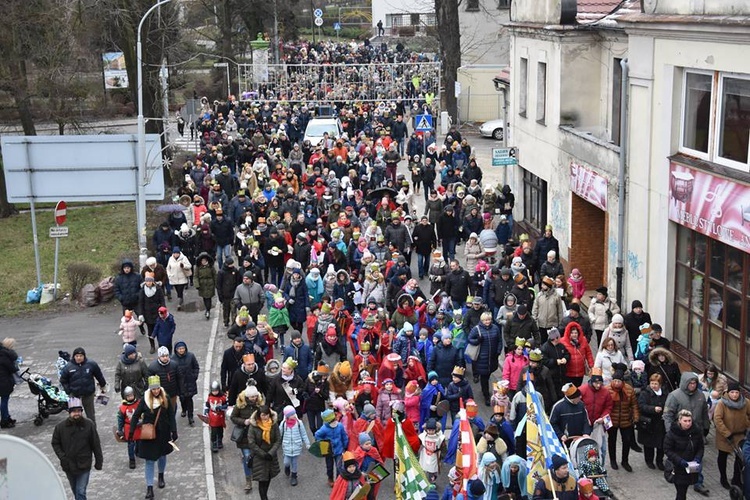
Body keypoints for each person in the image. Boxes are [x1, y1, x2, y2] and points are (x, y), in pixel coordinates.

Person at [128, 375, 178, 499]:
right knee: (149, 461)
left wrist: (174, 430)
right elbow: (135, 416)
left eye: (157, 389)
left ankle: (161, 475)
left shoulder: (165, 398)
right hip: (149, 435)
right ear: (150, 390)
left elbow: (171, 415)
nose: (156, 391)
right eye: (153, 389)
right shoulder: (144, 400)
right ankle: (149, 487)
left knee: (162, 456)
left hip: (163, 433)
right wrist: (131, 431)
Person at [663, 372, 710, 496]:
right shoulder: (674, 396)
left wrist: (706, 427)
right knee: (682, 461)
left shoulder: (700, 395)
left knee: (697, 460)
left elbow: (704, 412)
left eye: (695, 383)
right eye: (690, 383)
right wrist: (670, 432)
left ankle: (698, 483)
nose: (693, 385)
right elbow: (667, 415)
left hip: (695, 434)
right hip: (680, 436)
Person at [51, 397, 103, 500]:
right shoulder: (60, 427)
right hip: (68, 465)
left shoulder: (89, 425)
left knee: (80, 491)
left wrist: (99, 461)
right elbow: (55, 443)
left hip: (84, 463)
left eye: (79, 411)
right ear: (69, 412)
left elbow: (95, 444)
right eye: (74, 411)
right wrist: (63, 457)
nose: (77, 413)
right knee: (75, 490)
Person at [713, 381, 750, 490]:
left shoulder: (746, 402)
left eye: (736, 392)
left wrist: (747, 425)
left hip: (740, 435)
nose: (734, 394)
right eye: (732, 392)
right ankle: (723, 478)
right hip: (725, 437)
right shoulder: (722, 403)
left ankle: (736, 479)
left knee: (739, 458)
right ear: (728, 392)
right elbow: (717, 419)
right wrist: (726, 433)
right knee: (723, 456)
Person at [59, 347, 107, 425]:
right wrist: (69, 391)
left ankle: (92, 432)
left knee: (90, 416)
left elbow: (99, 376)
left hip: (88, 394)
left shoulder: (91, 364)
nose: (79, 358)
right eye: (77, 356)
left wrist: (103, 385)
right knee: (74, 415)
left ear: (84, 356)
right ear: (74, 356)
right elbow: (63, 380)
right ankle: (75, 432)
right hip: (74, 395)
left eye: (81, 356)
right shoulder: (68, 366)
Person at [664, 409, 704, 500]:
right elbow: (667, 450)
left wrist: (698, 457)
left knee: (684, 491)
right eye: (685, 421)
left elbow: (700, 447)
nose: (688, 423)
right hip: (678, 468)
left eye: (689, 421)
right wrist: (680, 461)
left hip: (692, 467)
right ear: (679, 421)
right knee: (681, 493)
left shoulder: (696, 432)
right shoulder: (672, 434)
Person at [231, 385, 265, 493]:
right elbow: (233, 417)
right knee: (247, 458)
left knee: (256, 457)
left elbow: (266, 416)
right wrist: (244, 421)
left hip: (257, 436)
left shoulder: (260, 404)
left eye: (255, 396)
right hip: (244, 436)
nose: (254, 398)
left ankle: (257, 474)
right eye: (252, 397)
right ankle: (248, 480)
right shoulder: (240, 405)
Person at [607, 368, 639, 472]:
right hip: (612, 419)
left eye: (618, 381)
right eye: (615, 381)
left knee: (627, 440)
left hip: (626, 419)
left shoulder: (629, 389)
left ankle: (625, 461)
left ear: (622, 381)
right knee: (612, 440)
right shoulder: (607, 389)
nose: (616, 383)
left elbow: (634, 404)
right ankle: (613, 460)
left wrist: (636, 417)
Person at [467, 311, 501, 405]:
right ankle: (486, 395)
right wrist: (478, 340)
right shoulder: (476, 329)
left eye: (489, 319)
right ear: (482, 320)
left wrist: (498, 351)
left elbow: (499, 341)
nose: (487, 322)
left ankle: (485, 390)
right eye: (485, 320)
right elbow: (469, 339)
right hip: (482, 358)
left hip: (492, 358)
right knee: (484, 378)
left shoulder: (495, 328)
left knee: (488, 374)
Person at [638, 373, 667, 470]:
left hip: (661, 422)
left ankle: (659, 461)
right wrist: (653, 409)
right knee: (649, 444)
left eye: (656, 384)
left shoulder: (665, 392)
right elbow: (641, 406)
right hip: (649, 422)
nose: (654, 386)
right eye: (652, 383)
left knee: (661, 444)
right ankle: (649, 461)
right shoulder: (645, 393)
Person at [279, 405, 310, 487]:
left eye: (294, 414)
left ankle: (294, 476)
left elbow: (304, 434)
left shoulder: (299, 423)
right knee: (286, 462)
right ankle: (287, 467)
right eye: (292, 414)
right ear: (287, 416)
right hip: (286, 446)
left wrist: (307, 443)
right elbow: (279, 434)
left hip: (296, 446)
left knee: (295, 462)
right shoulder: (283, 424)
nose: (294, 415)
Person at [172, 340, 200, 426]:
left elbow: (196, 367)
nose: (181, 350)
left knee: (189, 399)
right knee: (182, 398)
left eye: (182, 348)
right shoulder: (173, 359)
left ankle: (190, 417)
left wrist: (194, 376)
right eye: (179, 349)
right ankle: (184, 409)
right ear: (176, 350)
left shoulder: (190, 356)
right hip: (180, 383)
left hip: (189, 381)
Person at [138, 272, 166, 354]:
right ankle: (152, 346)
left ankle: (161, 345)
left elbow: (162, 301)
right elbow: (141, 303)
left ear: (153, 281)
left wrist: (163, 311)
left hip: (157, 313)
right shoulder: (142, 291)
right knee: (150, 331)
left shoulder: (158, 289)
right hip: (148, 314)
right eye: (147, 281)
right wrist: (140, 314)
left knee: (160, 331)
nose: (148, 283)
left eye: (150, 281)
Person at [149, 346, 183, 411]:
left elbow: (179, 378)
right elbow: (149, 382)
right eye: (163, 356)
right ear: (159, 357)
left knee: (172, 408)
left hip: (173, 392)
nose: (165, 358)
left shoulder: (174, 365)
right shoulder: (153, 367)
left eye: (166, 355)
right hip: (160, 394)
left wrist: (181, 390)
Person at [540, 326, 570, 398]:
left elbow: (567, 353)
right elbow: (544, 361)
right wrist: (555, 362)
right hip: (551, 376)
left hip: (561, 376)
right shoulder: (545, 348)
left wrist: (565, 358)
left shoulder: (561, 346)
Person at [116, 386, 141, 469]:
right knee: (130, 444)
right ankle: (132, 460)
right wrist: (120, 429)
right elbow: (120, 419)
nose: (130, 397)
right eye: (128, 396)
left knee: (139, 441)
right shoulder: (123, 407)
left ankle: (138, 451)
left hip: (138, 427)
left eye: (131, 395)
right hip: (128, 427)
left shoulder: (138, 404)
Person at [0, 338, 20, 428]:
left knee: (4, 400)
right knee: (4, 400)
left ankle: (6, 417)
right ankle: (4, 420)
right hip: (4, 381)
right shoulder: (4, 356)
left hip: (3, 380)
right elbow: (13, 368)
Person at [165, 246, 192, 310]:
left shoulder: (184, 258)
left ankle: (179, 302)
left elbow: (189, 265)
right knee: (177, 290)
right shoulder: (171, 259)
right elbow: (168, 268)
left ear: (179, 253)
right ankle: (180, 298)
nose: (175, 254)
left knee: (180, 289)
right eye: (174, 253)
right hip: (174, 278)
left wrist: (184, 266)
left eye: (177, 253)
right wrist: (169, 275)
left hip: (182, 278)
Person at [205, 380, 228, 453]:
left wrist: (221, 407)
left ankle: (219, 440)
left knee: (220, 430)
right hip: (212, 416)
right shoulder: (210, 397)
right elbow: (207, 405)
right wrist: (206, 411)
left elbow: (227, 405)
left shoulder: (223, 398)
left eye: (216, 391)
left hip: (220, 417)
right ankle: (214, 443)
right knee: (214, 431)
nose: (215, 392)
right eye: (213, 391)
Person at [194, 252, 217, 319]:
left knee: (208, 298)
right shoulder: (198, 268)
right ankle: (207, 309)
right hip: (202, 285)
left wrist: (216, 284)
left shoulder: (211, 267)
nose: (203, 262)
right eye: (202, 260)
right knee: (204, 298)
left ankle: (208, 310)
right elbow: (195, 276)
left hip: (210, 284)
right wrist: (197, 284)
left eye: (204, 260)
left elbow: (215, 275)